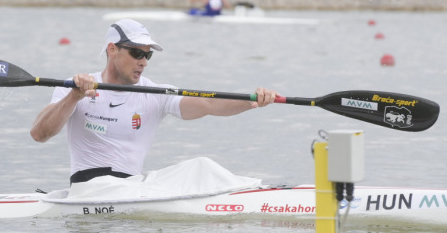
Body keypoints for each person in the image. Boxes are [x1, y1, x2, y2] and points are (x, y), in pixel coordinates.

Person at [30, 19, 278, 184]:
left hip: (132, 186)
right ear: (112, 49)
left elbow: (210, 104)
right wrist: (74, 96)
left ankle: (251, 191)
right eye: (137, 53)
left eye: (147, 55)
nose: (144, 61)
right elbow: (39, 134)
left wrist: (252, 101)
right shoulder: (76, 85)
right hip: (89, 187)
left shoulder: (156, 93)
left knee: (201, 165)